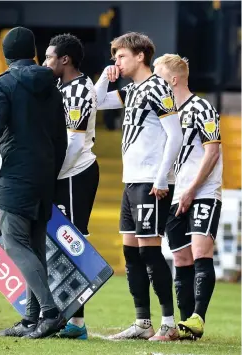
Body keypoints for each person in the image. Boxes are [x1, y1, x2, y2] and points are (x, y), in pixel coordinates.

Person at [0, 26, 68, 339]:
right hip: (43, 174)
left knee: (14, 244)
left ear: (6, 54)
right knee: (35, 246)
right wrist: (50, 171)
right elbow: (61, 137)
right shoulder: (52, 87)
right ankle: (31, 318)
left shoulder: (5, 84)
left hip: (15, 172)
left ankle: (50, 313)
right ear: (34, 52)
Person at [94, 32, 183, 341]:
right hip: (131, 180)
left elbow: (175, 135)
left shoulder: (158, 86)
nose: (115, 61)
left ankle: (168, 324)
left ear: (139, 56)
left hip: (150, 181)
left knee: (149, 253)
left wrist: (161, 178)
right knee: (131, 253)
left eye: (120, 56)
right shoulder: (132, 90)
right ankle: (142, 322)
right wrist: (106, 78)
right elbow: (94, 102)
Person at [154, 54, 223, 340]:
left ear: (174, 79)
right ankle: (184, 326)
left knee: (200, 253)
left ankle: (198, 318)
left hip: (203, 191)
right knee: (181, 258)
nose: (153, 83)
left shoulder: (201, 107)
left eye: (157, 76)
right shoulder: (168, 114)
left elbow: (213, 150)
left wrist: (193, 189)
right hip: (177, 192)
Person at [43, 33, 99, 340]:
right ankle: (64, 316)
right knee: (59, 246)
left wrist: (51, 175)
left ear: (65, 60)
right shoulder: (60, 86)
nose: (45, 61)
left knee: (72, 245)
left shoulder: (78, 90)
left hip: (75, 175)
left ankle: (77, 323)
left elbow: (75, 143)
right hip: (62, 175)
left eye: (50, 57)